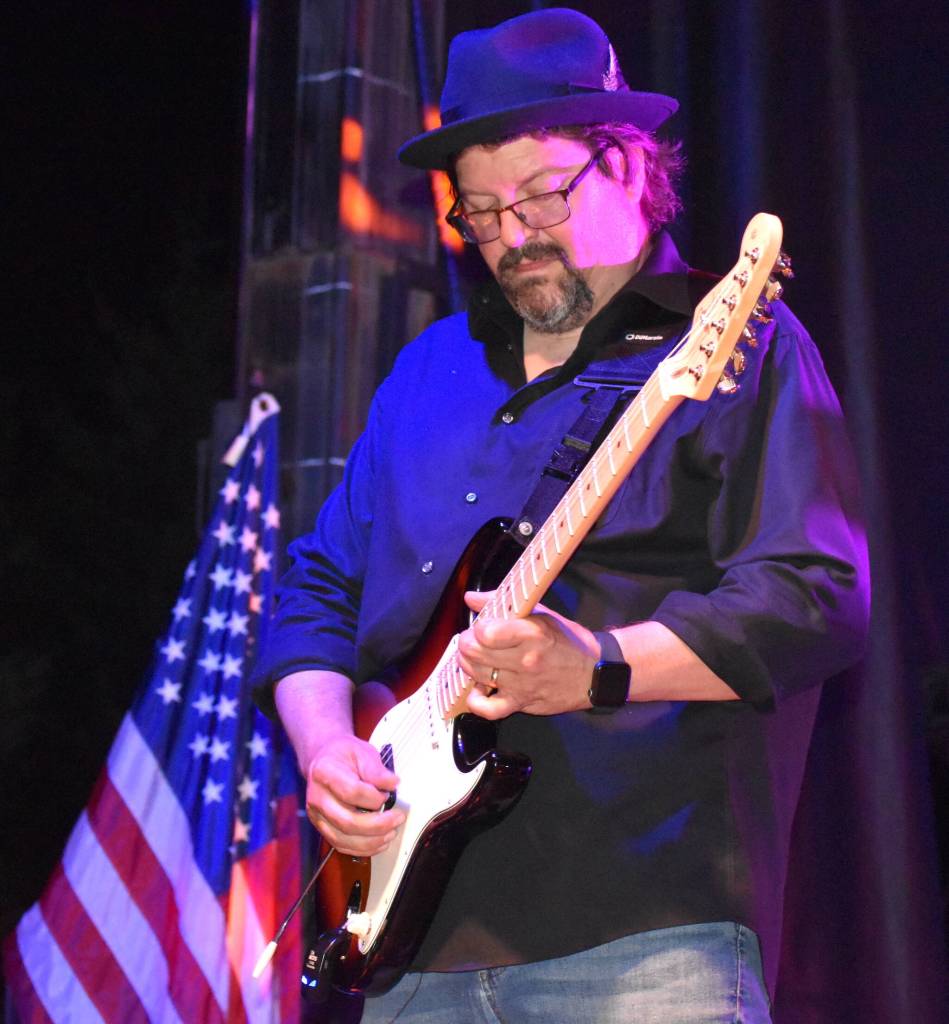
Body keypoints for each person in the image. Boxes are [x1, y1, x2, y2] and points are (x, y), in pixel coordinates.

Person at [253, 8, 869, 1023]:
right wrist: (325, 747)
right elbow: (315, 586)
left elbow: (817, 593)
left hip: (643, 935)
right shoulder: (429, 370)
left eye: (542, 194)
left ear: (629, 165)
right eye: (481, 213)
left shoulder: (731, 342)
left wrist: (598, 663)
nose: (512, 236)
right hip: (404, 952)